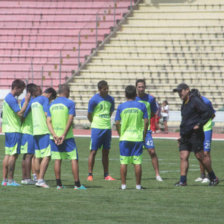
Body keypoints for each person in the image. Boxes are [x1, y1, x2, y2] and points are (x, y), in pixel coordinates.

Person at [173, 83, 219, 186]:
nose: (179, 94)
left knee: (200, 156)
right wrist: (181, 135)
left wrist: (199, 124)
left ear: (187, 90)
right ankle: (183, 180)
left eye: (181, 91)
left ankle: (213, 177)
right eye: (178, 92)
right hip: (186, 134)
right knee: (183, 156)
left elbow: (208, 112)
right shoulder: (184, 102)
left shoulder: (195, 100)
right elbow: (185, 120)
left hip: (195, 134)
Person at [47, 84, 86, 190]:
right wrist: (63, 135)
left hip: (54, 137)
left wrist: (55, 135)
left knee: (57, 159)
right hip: (67, 137)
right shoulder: (70, 103)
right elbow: (70, 120)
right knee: (73, 158)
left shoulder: (51, 104)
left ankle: (59, 185)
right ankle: (77, 184)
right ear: (67, 92)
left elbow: (48, 121)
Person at [115, 85, 148, 190]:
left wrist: (120, 133)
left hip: (125, 137)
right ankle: (138, 186)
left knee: (124, 162)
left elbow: (116, 122)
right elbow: (146, 121)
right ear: (136, 94)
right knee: (137, 162)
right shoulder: (141, 106)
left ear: (125, 95)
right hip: (137, 137)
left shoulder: (121, 107)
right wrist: (144, 134)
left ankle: (123, 186)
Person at [2, 79, 31, 186]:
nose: (21, 93)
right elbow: (19, 113)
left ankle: (4, 180)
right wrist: (27, 102)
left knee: (8, 154)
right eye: (21, 90)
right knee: (13, 155)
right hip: (14, 130)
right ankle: (10, 180)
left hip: (8, 129)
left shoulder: (7, 98)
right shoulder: (11, 99)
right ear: (17, 88)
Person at [87, 80, 115, 181]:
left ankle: (106, 175)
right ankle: (90, 174)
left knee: (106, 151)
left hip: (107, 128)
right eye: (104, 89)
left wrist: (105, 121)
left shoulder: (111, 99)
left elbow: (110, 112)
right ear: (99, 89)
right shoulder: (94, 99)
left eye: (107, 88)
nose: (106, 90)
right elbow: (89, 115)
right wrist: (94, 123)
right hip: (97, 128)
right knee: (93, 151)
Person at [135, 79, 163, 181]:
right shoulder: (133, 99)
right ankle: (136, 176)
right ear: (136, 88)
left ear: (145, 87)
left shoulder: (150, 99)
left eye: (142, 87)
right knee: (135, 153)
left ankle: (157, 174)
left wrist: (146, 122)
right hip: (135, 130)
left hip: (146, 130)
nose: (141, 89)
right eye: (139, 87)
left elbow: (153, 112)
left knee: (151, 151)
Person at [31, 87, 57, 188]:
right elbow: (47, 113)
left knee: (37, 156)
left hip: (35, 130)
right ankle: (41, 180)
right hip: (44, 130)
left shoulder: (34, 100)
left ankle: (38, 179)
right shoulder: (45, 99)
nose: (50, 101)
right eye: (52, 99)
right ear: (50, 94)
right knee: (47, 156)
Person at [190, 89, 216, 184]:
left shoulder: (206, 102)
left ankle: (209, 176)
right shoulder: (192, 103)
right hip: (198, 129)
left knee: (206, 153)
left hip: (206, 129)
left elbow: (212, 115)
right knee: (199, 152)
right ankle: (202, 175)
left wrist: (205, 122)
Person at [21, 83, 39, 185]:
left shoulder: (25, 100)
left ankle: (24, 178)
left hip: (26, 130)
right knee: (29, 155)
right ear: (32, 91)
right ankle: (27, 178)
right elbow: (23, 114)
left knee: (26, 155)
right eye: (36, 90)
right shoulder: (30, 101)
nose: (38, 92)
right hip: (29, 131)